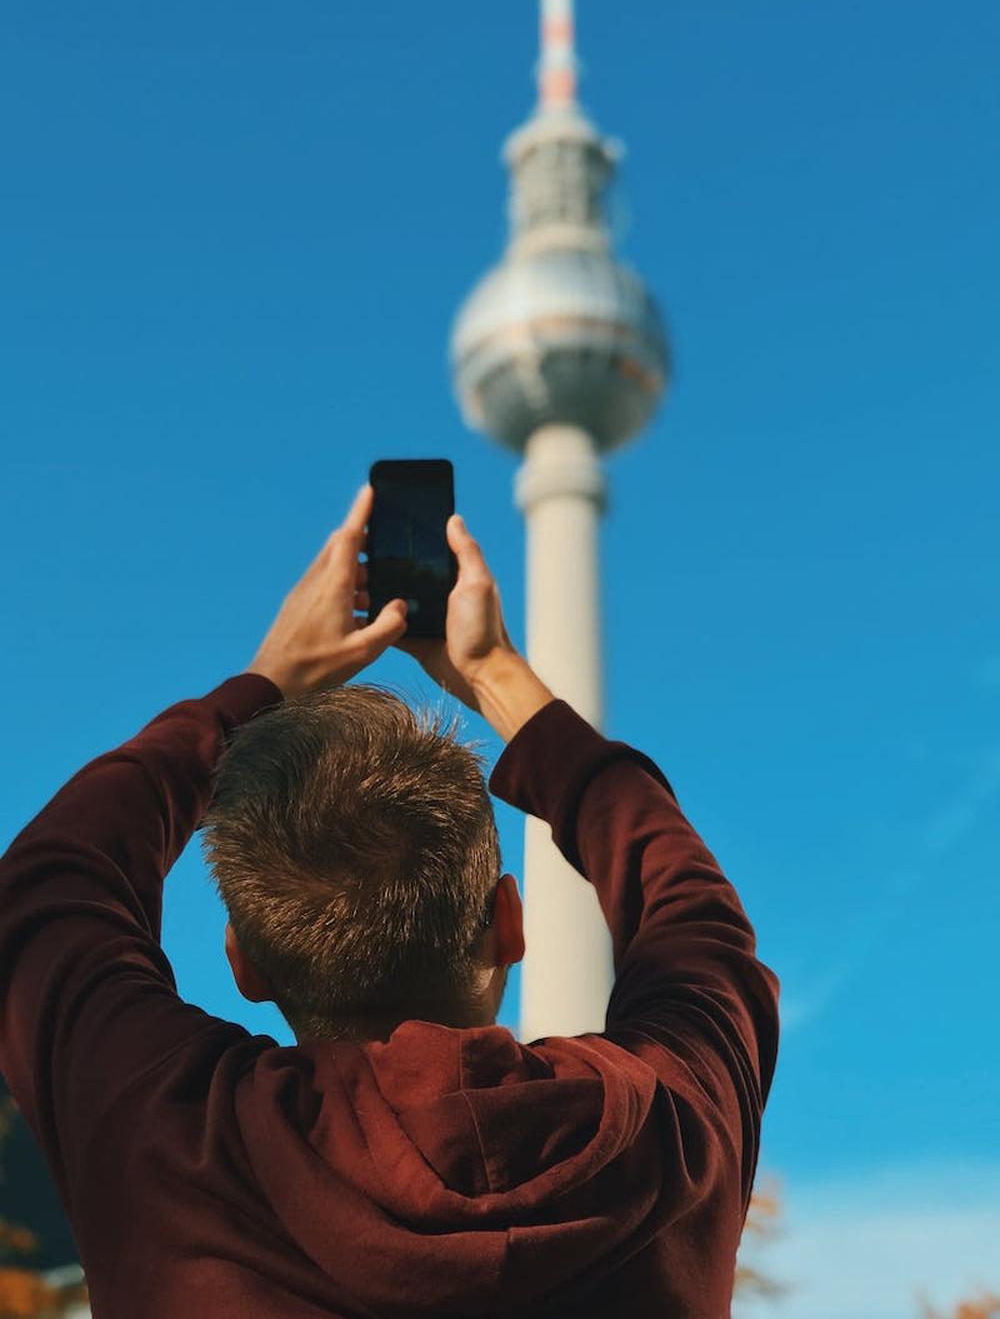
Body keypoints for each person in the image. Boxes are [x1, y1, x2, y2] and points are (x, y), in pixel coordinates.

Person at [0, 483, 779, 1318]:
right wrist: (501, 681)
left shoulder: (171, 1130)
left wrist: (263, 683)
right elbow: (698, 924)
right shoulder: (670, 1130)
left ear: (243, 960)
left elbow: (51, 883)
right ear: (509, 924)